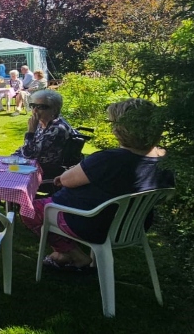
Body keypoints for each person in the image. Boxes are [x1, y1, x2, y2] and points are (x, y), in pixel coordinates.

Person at [20, 99, 175, 271]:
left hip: (90, 222)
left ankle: (69, 253)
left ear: (123, 128)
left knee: (29, 210)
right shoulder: (165, 160)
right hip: (133, 225)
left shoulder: (109, 159)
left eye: (114, 123)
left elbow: (65, 180)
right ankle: (63, 254)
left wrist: (65, 177)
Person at [11, 90, 75, 179]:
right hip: (33, 166)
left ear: (54, 110)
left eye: (41, 107)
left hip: (44, 171)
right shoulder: (42, 124)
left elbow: (29, 155)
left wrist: (30, 132)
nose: (35, 110)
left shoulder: (57, 129)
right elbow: (26, 151)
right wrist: (12, 157)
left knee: (8, 172)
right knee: (4, 167)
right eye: (33, 106)